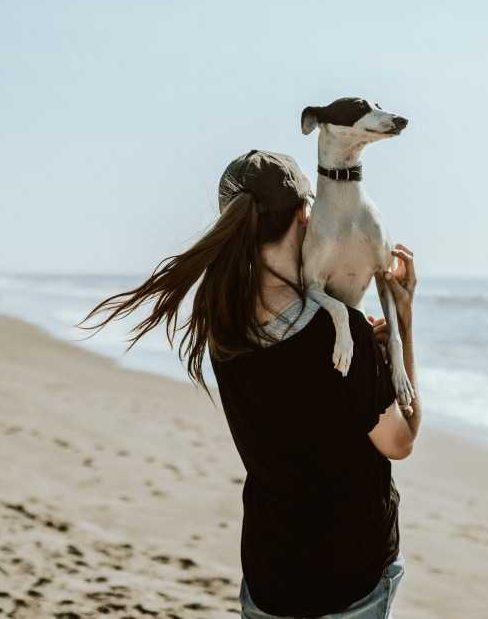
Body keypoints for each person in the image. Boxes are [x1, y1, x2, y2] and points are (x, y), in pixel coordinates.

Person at [78, 149, 422, 618]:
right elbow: (400, 441)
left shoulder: (223, 322)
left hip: (270, 574)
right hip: (350, 574)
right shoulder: (337, 332)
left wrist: (367, 356)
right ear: (306, 214)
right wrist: (402, 321)